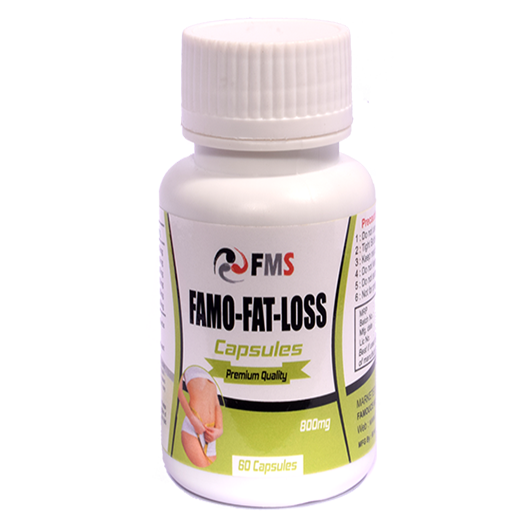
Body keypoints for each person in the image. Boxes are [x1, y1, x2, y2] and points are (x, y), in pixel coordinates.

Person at [178, 366, 223, 467]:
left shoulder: (211, 368)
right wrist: (193, 419)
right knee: (202, 470)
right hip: (193, 427)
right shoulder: (187, 361)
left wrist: (220, 430)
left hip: (211, 433)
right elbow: (178, 390)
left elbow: (216, 403)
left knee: (212, 471)